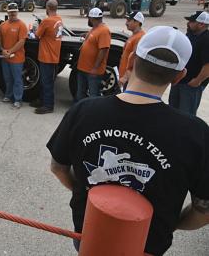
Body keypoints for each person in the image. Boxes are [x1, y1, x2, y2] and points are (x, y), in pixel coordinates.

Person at [46, 26, 209, 256]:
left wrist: (89, 195)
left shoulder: (83, 111)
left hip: (90, 235)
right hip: (147, 245)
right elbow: (204, 211)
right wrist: (171, 222)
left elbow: (58, 168)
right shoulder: (196, 133)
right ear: (180, 75)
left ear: (131, 60)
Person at [169, 11, 209, 115]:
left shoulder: (206, 39)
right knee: (172, 110)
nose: (188, 23)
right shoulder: (190, 34)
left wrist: (197, 81)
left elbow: (207, 65)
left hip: (191, 84)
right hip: (179, 80)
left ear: (201, 24)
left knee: (186, 113)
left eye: (191, 21)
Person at [32, 0, 63, 114]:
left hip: (47, 56)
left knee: (47, 82)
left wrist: (36, 28)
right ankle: (42, 100)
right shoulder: (59, 20)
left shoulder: (47, 21)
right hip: (54, 55)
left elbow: (37, 35)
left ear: (47, 8)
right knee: (45, 80)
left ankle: (48, 105)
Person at [75, 7, 111, 101]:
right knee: (80, 94)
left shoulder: (103, 31)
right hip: (83, 68)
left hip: (92, 71)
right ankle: (81, 113)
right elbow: (92, 39)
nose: (88, 20)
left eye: (89, 18)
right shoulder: (95, 29)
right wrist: (84, 35)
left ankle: (93, 115)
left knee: (93, 95)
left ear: (92, 19)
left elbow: (103, 50)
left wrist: (95, 68)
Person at [0, 3, 28, 109]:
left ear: (17, 12)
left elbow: (21, 41)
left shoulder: (22, 25)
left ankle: (18, 100)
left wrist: (10, 51)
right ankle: (8, 96)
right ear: (7, 12)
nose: (13, 13)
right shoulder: (3, 25)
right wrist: (2, 50)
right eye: (11, 12)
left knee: (17, 79)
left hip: (17, 58)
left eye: (14, 11)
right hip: (5, 57)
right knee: (7, 78)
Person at [118, 11, 146, 89]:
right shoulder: (134, 35)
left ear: (137, 22)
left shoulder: (140, 37)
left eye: (129, 21)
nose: (126, 23)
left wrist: (125, 77)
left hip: (130, 79)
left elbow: (136, 60)